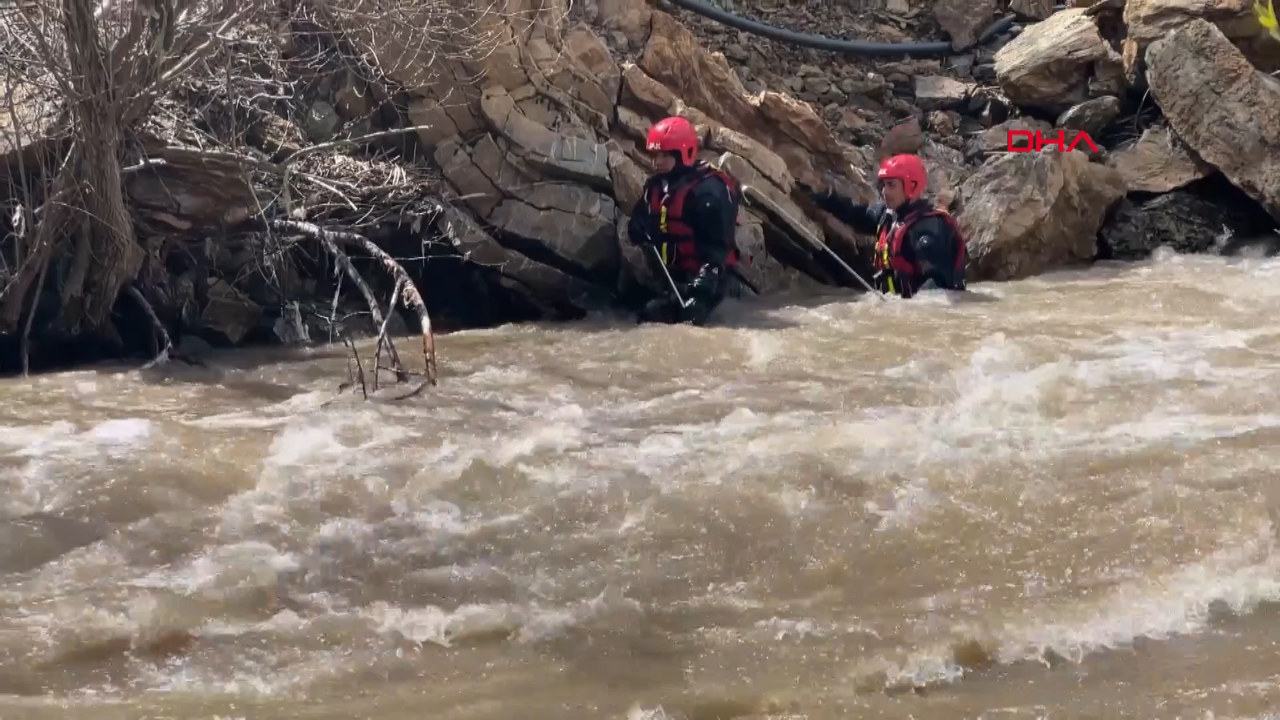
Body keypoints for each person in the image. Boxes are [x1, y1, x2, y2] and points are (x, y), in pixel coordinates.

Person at [626, 116, 744, 326]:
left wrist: (701, 290)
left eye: (665, 155)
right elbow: (640, 219)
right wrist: (638, 228)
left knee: (676, 319)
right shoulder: (656, 186)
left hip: (712, 279)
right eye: (655, 155)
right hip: (672, 276)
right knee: (641, 311)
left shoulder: (708, 193)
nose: (657, 161)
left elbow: (717, 251)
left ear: (684, 154)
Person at [798, 154, 967, 298]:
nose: (885, 192)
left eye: (892, 185)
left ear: (912, 186)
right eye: (884, 185)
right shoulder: (887, 216)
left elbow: (938, 291)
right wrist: (820, 198)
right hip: (899, 304)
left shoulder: (929, 229)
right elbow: (855, 214)